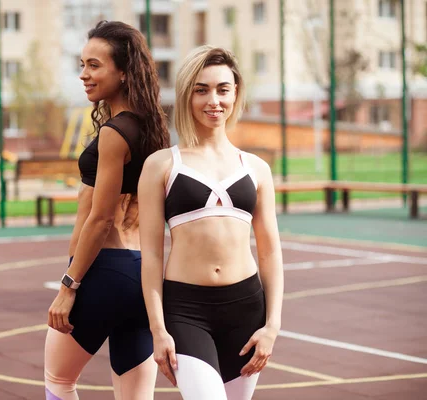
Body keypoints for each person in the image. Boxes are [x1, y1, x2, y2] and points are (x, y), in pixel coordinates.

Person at [139, 45, 284, 400]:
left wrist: (272, 326)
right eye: (201, 90)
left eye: (223, 89)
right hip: (186, 310)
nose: (213, 100)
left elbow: (270, 253)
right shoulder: (161, 165)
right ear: (188, 95)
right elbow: (152, 256)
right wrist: (158, 330)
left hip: (247, 308)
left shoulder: (256, 168)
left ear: (236, 93)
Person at [44, 21, 170, 400]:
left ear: (124, 71)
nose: (84, 74)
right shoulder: (153, 129)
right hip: (141, 277)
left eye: (94, 65)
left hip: (103, 271)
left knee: (59, 381)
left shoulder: (115, 133)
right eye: (82, 64)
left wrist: (69, 285)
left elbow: (100, 219)